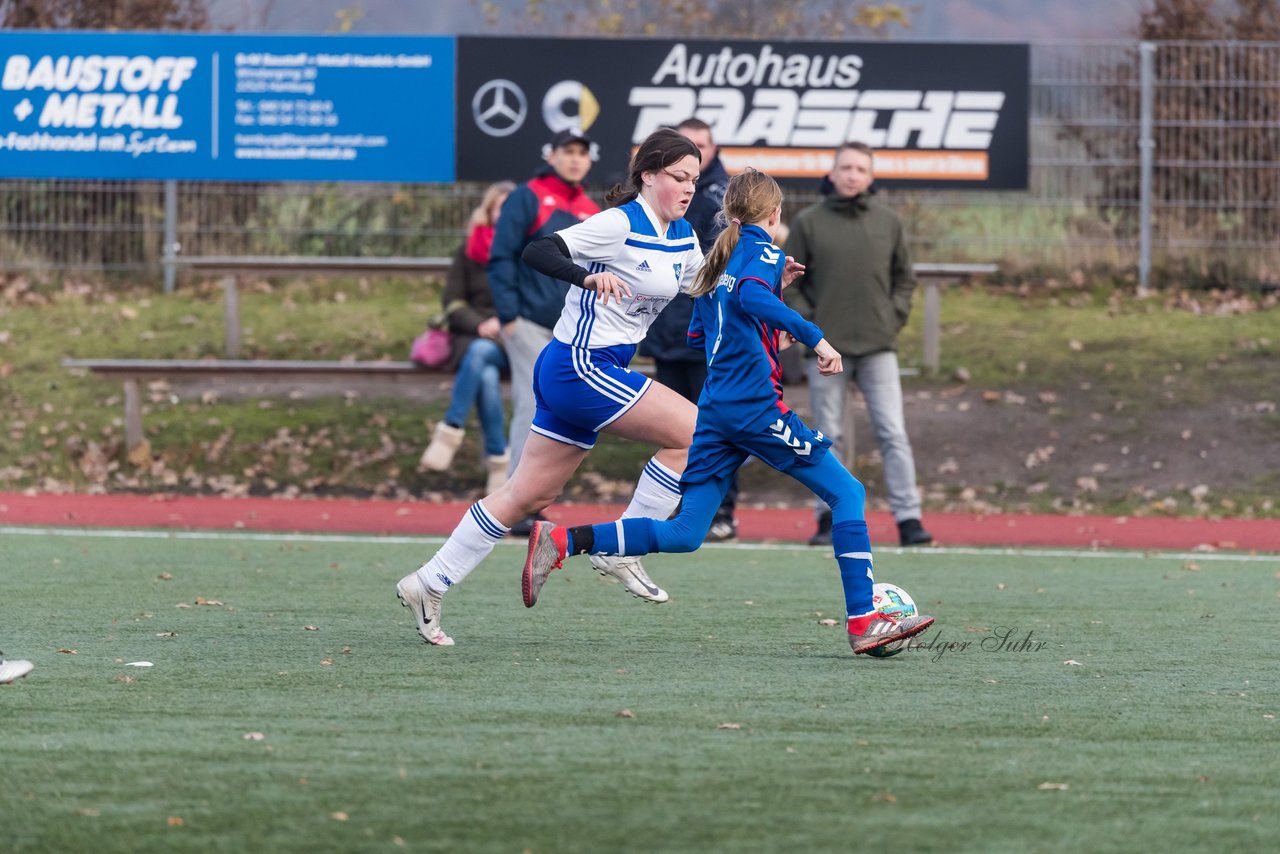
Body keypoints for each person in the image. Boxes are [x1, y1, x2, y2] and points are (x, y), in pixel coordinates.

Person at [520, 168, 935, 656]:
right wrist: (815, 338)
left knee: (685, 532)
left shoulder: (718, 260)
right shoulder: (761, 252)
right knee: (848, 492)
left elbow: (703, 333)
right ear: (775, 213)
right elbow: (752, 296)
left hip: (716, 410)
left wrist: (762, 326)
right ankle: (864, 620)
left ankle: (564, 542)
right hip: (754, 409)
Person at [396, 128, 706, 646]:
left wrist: (766, 287)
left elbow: (705, 285)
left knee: (528, 494)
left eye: (694, 178)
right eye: (678, 176)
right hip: (579, 366)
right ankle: (621, 547)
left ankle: (429, 581)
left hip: (584, 369)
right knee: (692, 433)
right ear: (648, 175)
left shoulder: (683, 236)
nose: (689, 187)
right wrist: (585, 278)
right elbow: (537, 250)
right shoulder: (616, 224)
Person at [785, 142, 934, 548]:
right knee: (828, 434)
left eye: (860, 169)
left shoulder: (888, 222)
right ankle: (828, 519)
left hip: (878, 346)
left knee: (892, 432)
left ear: (870, 176)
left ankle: (908, 519)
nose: (852, 175)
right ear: (832, 173)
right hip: (825, 350)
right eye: (845, 167)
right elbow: (789, 283)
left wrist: (893, 318)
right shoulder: (809, 222)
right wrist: (810, 329)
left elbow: (905, 278)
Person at [487, 129, 602, 536]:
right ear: (551, 155)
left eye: (581, 153)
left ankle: (529, 500)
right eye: (567, 151)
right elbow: (500, 255)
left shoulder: (590, 206)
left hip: (571, 332)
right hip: (530, 323)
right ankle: (515, 506)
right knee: (531, 406)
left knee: (554, 413)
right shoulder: (528, 196)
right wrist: (509, 315)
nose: (574, 159)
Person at [639, 118, 740, 542]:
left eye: (701, 145)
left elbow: (720, 265)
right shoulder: (651, 202)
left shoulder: (723, 196)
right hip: (667, 333)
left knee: (715, 425)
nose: (687, 181)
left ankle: (721, 510)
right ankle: (679, 507)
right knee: (676, 430)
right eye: (686, 146)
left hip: (708, 334)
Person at [420, 180, 517, 495]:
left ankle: (450, 430)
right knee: (484, 369)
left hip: (515, 340)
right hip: (474, 338)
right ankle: (499, 463)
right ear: (489, 212)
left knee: (482, 356)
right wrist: (479, 325)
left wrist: (501, 325)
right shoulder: (469, 250)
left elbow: (536, 303)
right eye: (500, 207)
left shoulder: (530, 250)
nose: (506, 214)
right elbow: (452, 302)